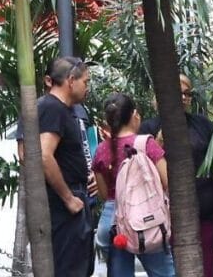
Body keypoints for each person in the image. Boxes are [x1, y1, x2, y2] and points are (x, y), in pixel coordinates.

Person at [139, 74, 213, 277]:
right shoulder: (148, 129)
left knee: (207, 267)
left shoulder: (204, 125)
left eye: (186, 94)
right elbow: (143, 169)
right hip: (166, 217)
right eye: (177, 93)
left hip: (205, 213)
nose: (181, 98)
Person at [93, 93, 176, 277]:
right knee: (164, 273)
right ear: (134, 115)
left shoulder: (101, 150)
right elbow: (167, 180)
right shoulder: (146, 144)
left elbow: (103, 193)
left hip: (114, 224)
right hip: (147, 218)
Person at [39, 56, 94, 277]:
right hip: (65, 202)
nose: (87, 88)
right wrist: (68, 198)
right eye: (85, 82)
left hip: (73, 195)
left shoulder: (56, 108)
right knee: (71, 269)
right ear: (71, 80)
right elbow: (43, 155)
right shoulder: (53, 108)